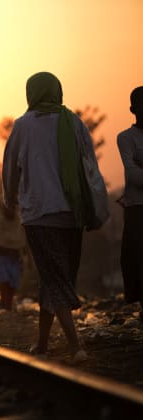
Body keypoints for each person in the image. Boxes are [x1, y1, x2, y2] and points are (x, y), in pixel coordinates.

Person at [2, 71, 102, 363]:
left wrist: (10, 200)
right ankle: (49, 343)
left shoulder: (23, 126)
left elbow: (10, 167)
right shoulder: (74, 123)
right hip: (72, 213)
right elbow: (90, 167)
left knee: (54, 278)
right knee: (58, 276)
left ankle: (72, 347)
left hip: (38, 214)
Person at [117, 86, 143, 323]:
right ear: (133, 109)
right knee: (138, 264)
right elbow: (132, 176)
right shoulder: (126, 138)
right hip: (137, 209)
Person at [0, 200, 25, 311]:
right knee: (4, 281)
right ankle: (5, 305)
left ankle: (8, 305)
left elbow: (23, 240)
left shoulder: (20, 222)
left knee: (13, 283)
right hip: (0, 257)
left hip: (15, 257)